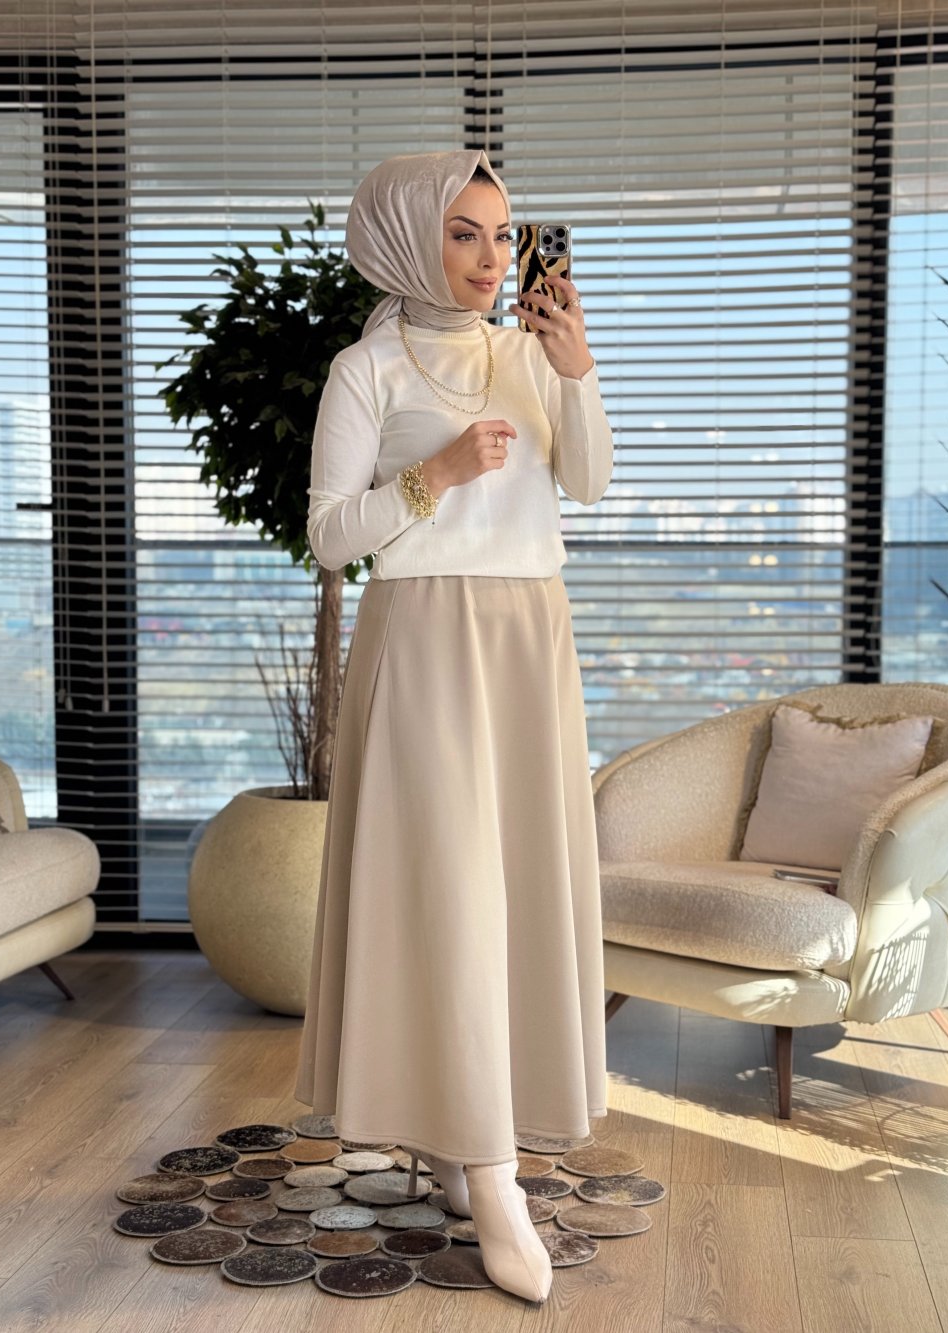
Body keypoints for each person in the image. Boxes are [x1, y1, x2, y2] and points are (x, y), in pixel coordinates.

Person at [293, 148, 614, 1305]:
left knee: (513, 891)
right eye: (462, 232)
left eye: (502, 233)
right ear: (405, 237)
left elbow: (589, 482)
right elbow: (331, 534)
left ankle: (461, 1141)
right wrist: (431, 476)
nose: (490, 258)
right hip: (424, 638)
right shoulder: (364, 369)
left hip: (530, 637)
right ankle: (492, 1175)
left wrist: (576, 372)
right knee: (448, 892)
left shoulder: (529, 353)